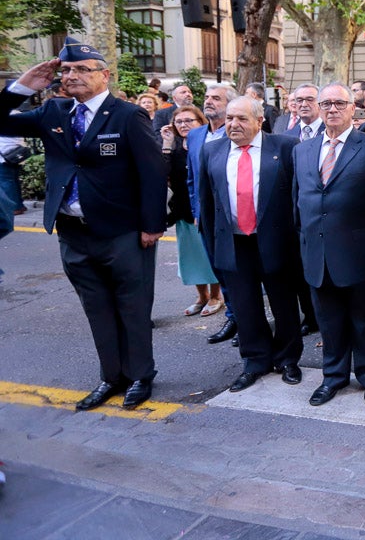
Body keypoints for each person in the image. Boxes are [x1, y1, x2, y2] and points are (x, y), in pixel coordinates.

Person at [0, 39, 167, 410]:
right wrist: (22, 87)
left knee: (133, 307)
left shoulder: (126, 115)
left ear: (104, 76)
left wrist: (152, 226)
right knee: (97, 308)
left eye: (81, 69)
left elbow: (153, 172)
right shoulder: (53, 112)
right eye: (66, 71)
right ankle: (112, 377)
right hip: (73, 233)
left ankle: (140, 375)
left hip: (122, 231)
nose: (71, 76)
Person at [293, 84, 365, 407]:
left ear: (353, 108)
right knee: (329, 322)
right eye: (326, 104)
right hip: (317, 255)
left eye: (339, 103)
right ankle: (333, 377)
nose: (332, 109)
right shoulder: (302, 150)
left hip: (361, 254)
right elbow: (299, 201)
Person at [199, 97, 304, 393]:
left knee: (284, 303)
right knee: (245, 306)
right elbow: (207, 204)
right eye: (230, 118)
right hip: (234, 242)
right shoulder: (211, 151)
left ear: (260, 122)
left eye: (242, 119)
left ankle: (287, 359)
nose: (234, 124)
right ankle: (255, 360)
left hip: (275, 240)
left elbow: (297, 197)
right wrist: (212, 245)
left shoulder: (284, 147)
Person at [187, 84, 241, 345]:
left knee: (238, 272)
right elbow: (192, 178)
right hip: (206, 219)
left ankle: (244, 319)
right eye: (207, 97)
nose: (208, 102)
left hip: (234, 217)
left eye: (216, 98)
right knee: (218, 269)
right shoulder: (196, 135)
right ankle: (233, 316)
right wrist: (197, 210)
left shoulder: (238, 133)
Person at [160, 105, 221, 317]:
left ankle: (216, 296)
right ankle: (201, 296)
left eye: (189, 121)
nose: (184, 125)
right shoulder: (174, 146)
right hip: (182, 210)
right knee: (191, 258)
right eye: (179, 121)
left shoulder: (208, 142)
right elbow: (162, 174)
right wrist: (167, 144)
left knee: (209, 255)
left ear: (200, 122)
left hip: (205, 208)